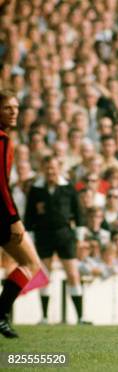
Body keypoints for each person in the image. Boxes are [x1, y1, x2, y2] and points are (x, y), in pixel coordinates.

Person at [0, 90, 48, 338]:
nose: (14, 112)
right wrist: (13, 219)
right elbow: (0, 185)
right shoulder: (1, 140)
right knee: (31, 263)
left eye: (16, 107)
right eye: (8, 107)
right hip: (1, 216)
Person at [24, 155, 88, 325]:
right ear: (43, 170)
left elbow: (79, 214)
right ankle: (44, 317)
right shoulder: (36, 189)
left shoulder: (68, 188)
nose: (50, 171)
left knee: (73, 274)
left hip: (64, 235)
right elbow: (29, 217)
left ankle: (80, 318)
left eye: (53, 168)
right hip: (43, 235)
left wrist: (80, 238)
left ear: (59, 168)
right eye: (47, 168)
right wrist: (29, 239)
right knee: (44, 275)